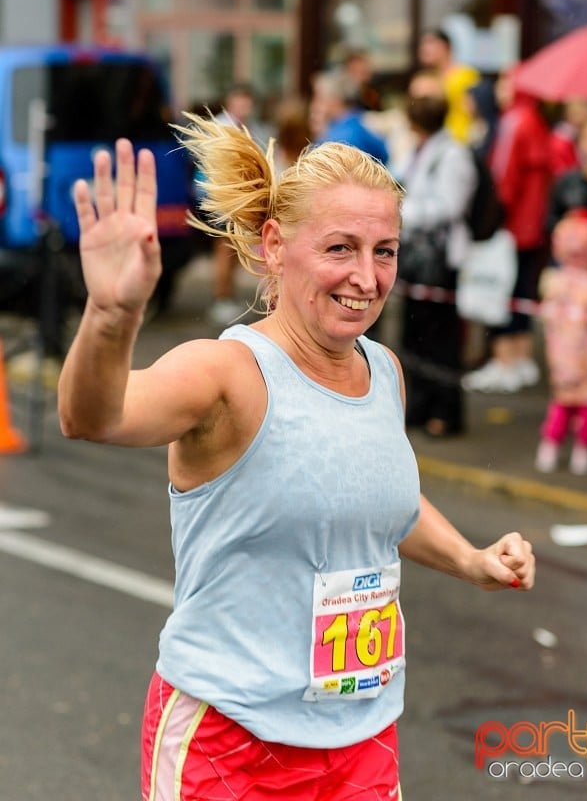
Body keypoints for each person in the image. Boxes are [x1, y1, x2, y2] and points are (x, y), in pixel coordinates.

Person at [57, 123, 535, 801]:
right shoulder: (226, 374)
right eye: (339, 248)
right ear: (275, 246)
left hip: (360, 735)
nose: (365, 278)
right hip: (229, 739)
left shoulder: (383, 370)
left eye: (384, 251)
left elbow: (376, 497)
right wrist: (111, 314)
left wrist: (470, 558)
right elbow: (93, 416)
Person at [396, 68, 478, 436]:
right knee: (415, 334)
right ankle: (420, 406)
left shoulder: (453, 154)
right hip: (417, 257)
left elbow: (450, 205)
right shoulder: (420, 150)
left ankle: (445, 413)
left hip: (441, 259)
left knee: (441, 338)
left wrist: (405, 214)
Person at [463, 72, 553, 393]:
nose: (498, 90)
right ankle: (521, 358)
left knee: (505, 292)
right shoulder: (534, 119)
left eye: (503, 83)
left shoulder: (514, 122)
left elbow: (504, 178)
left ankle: (505, 363)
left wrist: (490, 217)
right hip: (533, 222)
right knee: (523, 291)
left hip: (514, 224)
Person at [535, 211, 587, 475]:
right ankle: (584, 452)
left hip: (562, 357)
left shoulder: (552, 281)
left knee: (562, 401)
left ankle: (549, 448)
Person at [193, 82, 271, 327]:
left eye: (247, 101)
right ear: (230, 101)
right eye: (239, 100)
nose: (244, 106)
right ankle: (221, 299)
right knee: (225, 249)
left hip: (242, 198)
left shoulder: (251, 127)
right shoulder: (220, 127)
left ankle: (227, 297)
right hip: (223, 198)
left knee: (236, 250)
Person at [309, 69, 389, 165]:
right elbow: (384, 154)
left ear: (335, 100)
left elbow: (317, 169)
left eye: (319, 98)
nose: (314, 104)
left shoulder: (339, 138)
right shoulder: (357, 123)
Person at [416, 28, 480, 144]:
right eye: (422, 44)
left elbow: (476, 112)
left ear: (446, 46)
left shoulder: (465, 75)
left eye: (430, 43)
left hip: (460, 142)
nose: (424, 48)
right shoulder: (427, 78)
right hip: (434, 142)